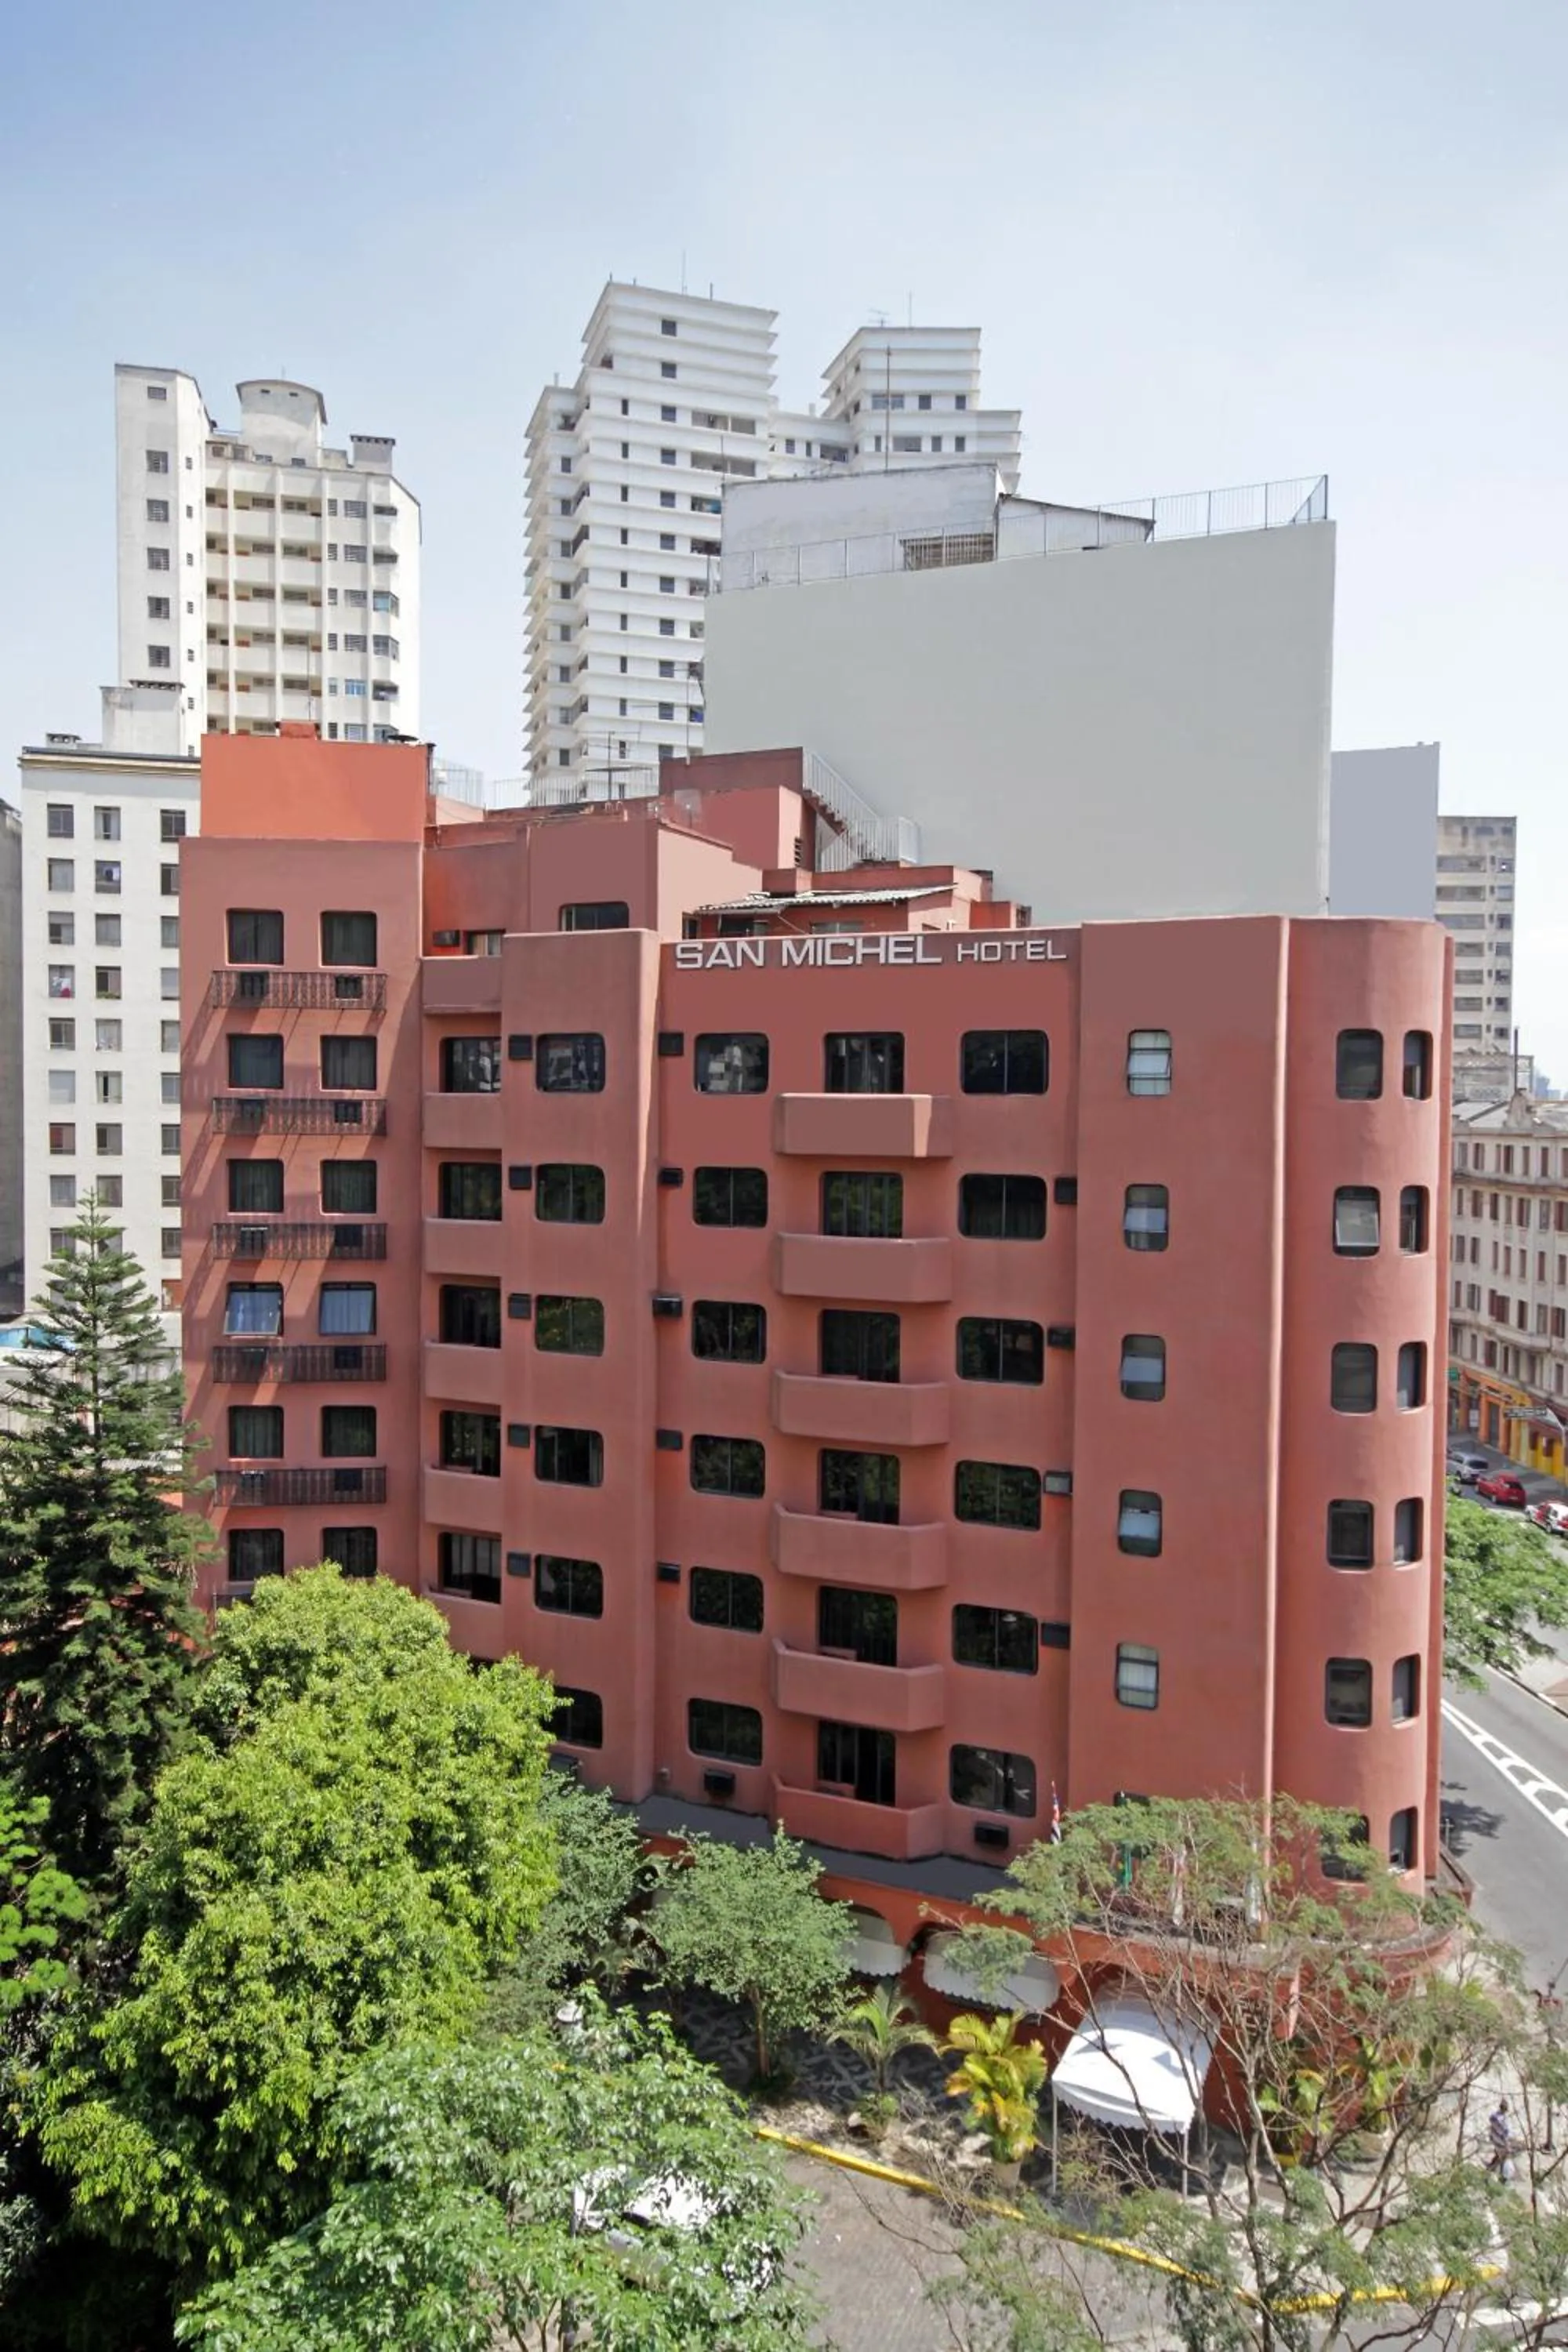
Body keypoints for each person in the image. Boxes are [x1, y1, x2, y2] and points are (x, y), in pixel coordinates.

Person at [1487, 2096, 1519, 2182]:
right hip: (1501, 2142)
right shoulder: (1503, 2120)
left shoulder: (1494, 2116)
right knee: (1503, 2158)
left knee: (1498, 2155)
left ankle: (1492, 2167)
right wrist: (1508, 2145)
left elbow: (1492, 2126)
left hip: (1494, 2139)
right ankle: (1496, 2172)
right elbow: (1505, 2134)